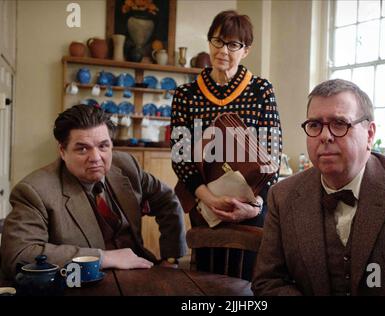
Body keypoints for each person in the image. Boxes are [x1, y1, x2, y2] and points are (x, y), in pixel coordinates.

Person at [252, 79, 385, 295]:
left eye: (339, 124)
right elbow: (267, 281)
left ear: (370, 134)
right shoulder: (283, 196)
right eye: (315, 125)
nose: (325, 136)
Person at [0, 104, 187, 279]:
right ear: (63, 151)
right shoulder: (34, 191)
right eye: (82, 149)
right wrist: (104, 257)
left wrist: (170, 258)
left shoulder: (127, 166)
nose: (96, 158)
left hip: (139, 270)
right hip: (81, 281)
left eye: (103, 146)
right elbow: (18, 253)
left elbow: (167, 200)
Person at [170, 10, 282, 280]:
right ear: (209, 42)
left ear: (246, 50)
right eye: (218, 41)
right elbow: (180, 156)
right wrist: (209, 199)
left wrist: (253, 205)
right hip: (204, 203)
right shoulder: (186, 94)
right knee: (207, 278)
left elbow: (273, 155)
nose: (223, 50)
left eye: (234, 44)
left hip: (251, 204)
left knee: (246, 279)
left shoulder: (261, 91)